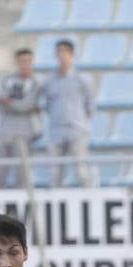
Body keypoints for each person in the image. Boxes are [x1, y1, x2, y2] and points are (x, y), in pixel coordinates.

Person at [43, 39, 97, 188]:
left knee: (82, 171)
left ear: (71, 55)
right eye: (59, 52)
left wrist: (80, 121)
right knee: (55, 173)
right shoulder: (49, 81)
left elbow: (90, 105)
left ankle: (90, 199)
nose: (62, 56)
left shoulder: (82, 79)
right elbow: (48, 104)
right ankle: (55, 203)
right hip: (56, 130)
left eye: (65, 52)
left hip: (77, 129)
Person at [0, 48, 44, 188]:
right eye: (22, 61)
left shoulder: (36, 83)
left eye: (28, 61)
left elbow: (27, 105)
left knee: (22, 173)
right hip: (4, 131)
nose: (25, 64)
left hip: (25, 133)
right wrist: (22, 106)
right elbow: (0, 101)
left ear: (32, 62)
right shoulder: (7, 79)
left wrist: (10, 103)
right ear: (17, 62)